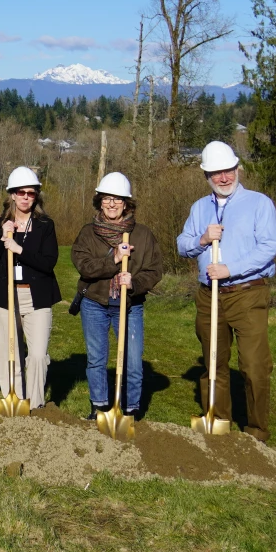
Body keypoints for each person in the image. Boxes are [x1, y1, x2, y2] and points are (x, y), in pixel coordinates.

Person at [177, 141, 276, 442]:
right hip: (209, 296)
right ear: (206, 176)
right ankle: (218, 423)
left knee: (253, 364)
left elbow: (269, 247)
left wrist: (230, 268)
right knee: (213, 362)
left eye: (228, 171)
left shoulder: (259, 204)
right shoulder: (199, 208)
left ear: (238, 169)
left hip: (247, 293)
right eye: (216, 173)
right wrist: (202, 239)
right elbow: (182, 244)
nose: (224, 178)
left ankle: (256, 430)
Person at [72, 172, 164, 421]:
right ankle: (100, 407)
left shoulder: (143, 235)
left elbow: (155, 270)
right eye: (106, 199)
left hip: (130, 305)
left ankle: (131, 410)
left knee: (133, 363)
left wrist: (133, 283)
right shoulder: (88, 233)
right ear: (99, 201)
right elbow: (84, 266)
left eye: (117, 199)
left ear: (127, 203)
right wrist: (112, 259)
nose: (112, 204)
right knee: (96, 360)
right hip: (95, 303)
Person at [0, 166, 60, 409]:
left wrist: (19, 249)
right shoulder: (0, 224)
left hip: (37, 297)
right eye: (21, 192)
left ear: (36, 196)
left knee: (37, 355)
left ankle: (35, 404)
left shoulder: (45, 225)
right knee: (9, 352)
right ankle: (13, 399)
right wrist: (0, 236)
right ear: (12, 195)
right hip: (6, 298)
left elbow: (49, 262)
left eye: (31, 193)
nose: (26, 197)